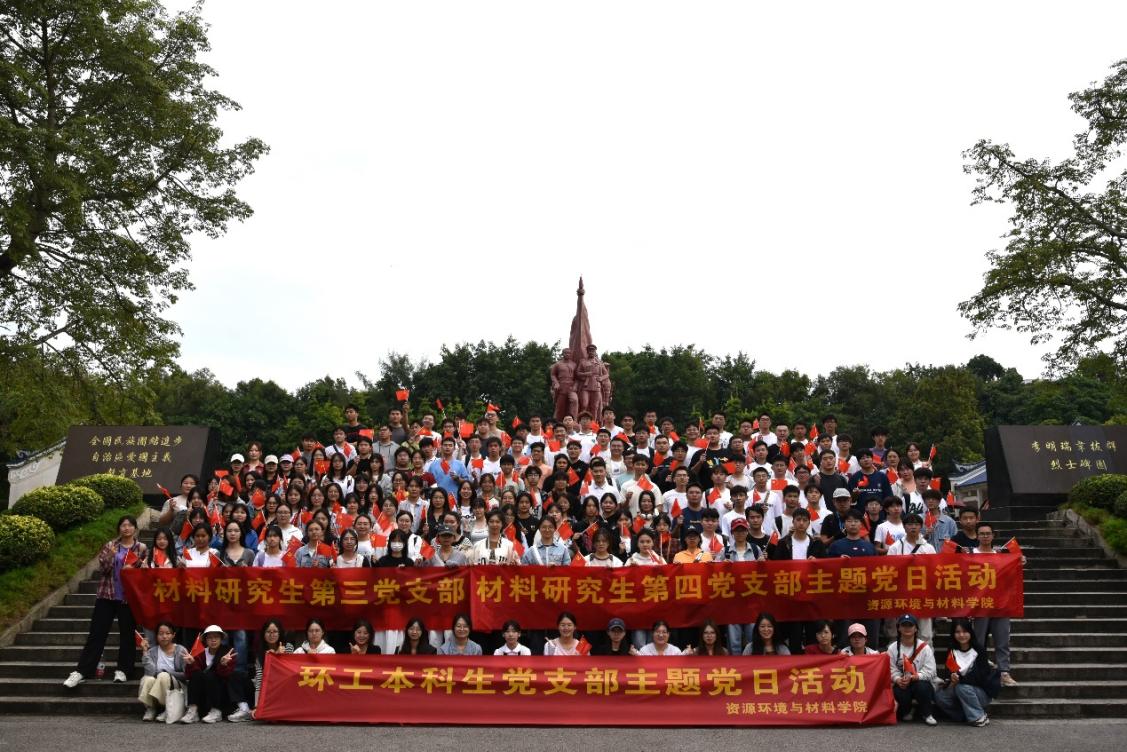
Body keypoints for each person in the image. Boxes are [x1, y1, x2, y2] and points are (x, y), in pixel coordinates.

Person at [64, 515, 147, 688]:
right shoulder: (111, 546)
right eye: (123, 525)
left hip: (128, 598)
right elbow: (103, 569)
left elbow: (144, 574)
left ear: (135, 528)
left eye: (130, 525)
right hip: (106, 595)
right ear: (119, 528)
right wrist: (110, 556)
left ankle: (123, 670)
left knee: (127, 635)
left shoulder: (141, 548)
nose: (126, 528)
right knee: (97, 634)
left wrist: (137, 569)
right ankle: (82, 670)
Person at [968, 521, 1023, 687]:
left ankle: (1004, 672)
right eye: (982, 534)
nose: (985, 536)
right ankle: (978, 670)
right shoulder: (970, 554)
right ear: (977, 536)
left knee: (1002, 640)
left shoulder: (1002, 555)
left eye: (988, 534)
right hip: (979, 605)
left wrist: (1019, 561)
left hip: (1000, 604)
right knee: (978, 641)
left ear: (993, 536)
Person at [933, 618, 1001, 726]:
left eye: (965, 631)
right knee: (939, 696)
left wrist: (960, 680)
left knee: (961, 687)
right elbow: (948, 671)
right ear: (953, 634)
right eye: (957, 632)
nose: (961, 635)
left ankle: (978, 717)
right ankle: (964, 716)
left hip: (980, 692)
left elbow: (981, 676)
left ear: (970, 632)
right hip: (959, 688)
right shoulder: (952, 649)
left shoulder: (979, 650)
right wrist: (952, 677)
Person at [181, 624, 251, 723]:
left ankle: (216, 711)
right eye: (210, 638)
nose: (213, 640)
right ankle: (193, 710)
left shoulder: (228, 653)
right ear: (205, 640)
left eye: (216, 637)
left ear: (221, 639)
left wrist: (223, 665)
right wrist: (191, 664)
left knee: (213, 675)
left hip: (222, 693)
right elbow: (190, 676)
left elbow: (228, 676)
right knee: (196, 674)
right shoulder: (200, 653)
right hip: (204, 692)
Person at [888, 614, 937, 725]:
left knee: (923, 687)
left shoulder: (925, 647)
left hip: (919, 681)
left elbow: (931, 670)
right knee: (898, 691)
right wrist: (897, 679)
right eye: (904, 625)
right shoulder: (892, 648)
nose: (907, 628)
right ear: (899, 628)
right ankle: (907, 711)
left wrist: (917, 676)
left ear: (916, 629)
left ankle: (927, 713)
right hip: (902, 682)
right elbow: (891, 668)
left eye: (910, 625)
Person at [137, 621, 187, 722]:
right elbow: (150, 673)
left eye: (168, 633)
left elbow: (186, 674)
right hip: (158, 684)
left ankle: (167, 709)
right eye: (161, 634)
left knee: (163, 676)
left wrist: (167, 672)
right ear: (156, 636)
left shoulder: (180, 650)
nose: (164, 636)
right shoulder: (152, 651)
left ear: (173, 635)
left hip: (176, 686)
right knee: (147, 679)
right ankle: (151, 709)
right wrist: (145, 652)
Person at [253, 619, 292, 701]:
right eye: (268, 632)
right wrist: (257, 704)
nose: (271, 635)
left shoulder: (288, 647)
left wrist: (280, 656)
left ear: (280, 633)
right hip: (269, 690)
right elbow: (259, 681)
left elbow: (289, 673)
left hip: (285, 688)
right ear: (263, 634)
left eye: (275, 631)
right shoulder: (260, 653)